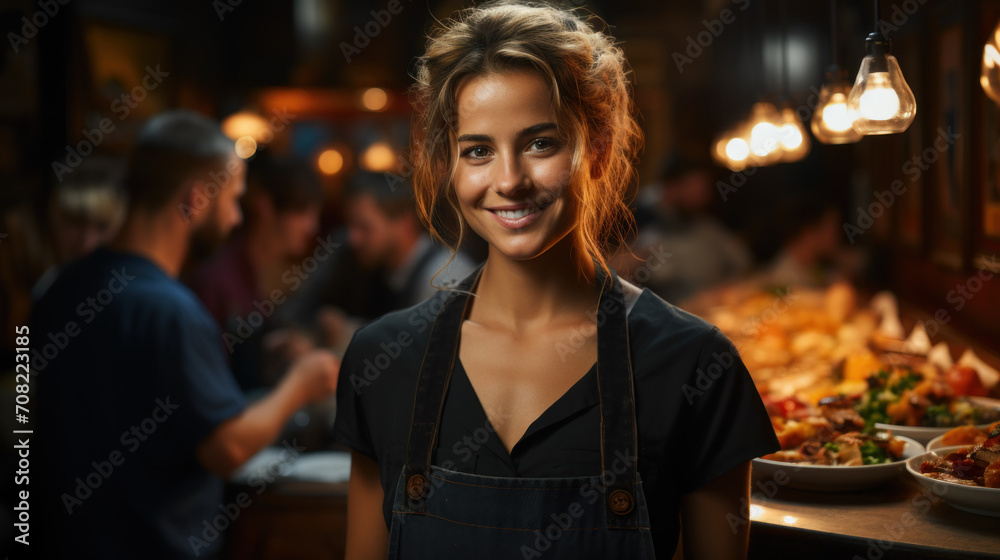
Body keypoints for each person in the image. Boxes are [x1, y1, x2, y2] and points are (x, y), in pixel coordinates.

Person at [332, 3, 779, 559]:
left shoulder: (695, 366)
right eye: (477, 151)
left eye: (541, 143)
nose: (510, 180)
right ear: (448, 165)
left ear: (598, 150)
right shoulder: (384, 360)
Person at [33, 110, 339, 560]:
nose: (236, 218)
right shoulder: (171, 310)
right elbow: (227, 447)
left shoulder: (57, 289)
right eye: (233, 199)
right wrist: (301, 385)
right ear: (196, 199)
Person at [189, 156, 324, 391]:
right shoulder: (218, 281)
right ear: (266, 206)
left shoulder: (280, 274)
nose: (312, 226)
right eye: (302, 212)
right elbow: (206, 380)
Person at [618, 153, 753, 303]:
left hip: (715, 309)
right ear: (671, 187)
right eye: (695, 187)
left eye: (704, 188)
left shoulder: (703, 224)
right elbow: (618, 276)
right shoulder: (638, 221)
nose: (703, 195)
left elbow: (742, 261)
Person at [344, 171, 477, 317]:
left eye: (365, 227)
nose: (353, 239)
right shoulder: (383, 271)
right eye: (350, 226)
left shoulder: (444, 279)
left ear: (404, 223)